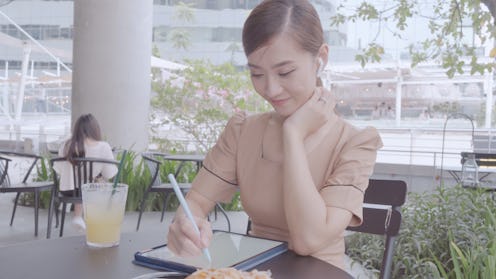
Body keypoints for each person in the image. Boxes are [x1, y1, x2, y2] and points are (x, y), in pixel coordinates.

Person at [167, 0, 383, 271]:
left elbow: (308, 240)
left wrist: (293, 133)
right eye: (256, 73)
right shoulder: (242, 131)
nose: (270, 89)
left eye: (285, 72)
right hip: (254, 273)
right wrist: (185, 225)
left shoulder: (355, 144)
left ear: (321, 59)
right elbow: (196, 201)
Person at [53, 113, 117, 232]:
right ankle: (94, 223)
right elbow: (110, 174)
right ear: (95, 129)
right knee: (100, 186)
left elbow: (59, 169)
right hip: (90, 191)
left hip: (67, 191)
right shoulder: (103, 146)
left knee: (83, 186)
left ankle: (79, 216)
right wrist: (96, 175)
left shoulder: (66, 145)